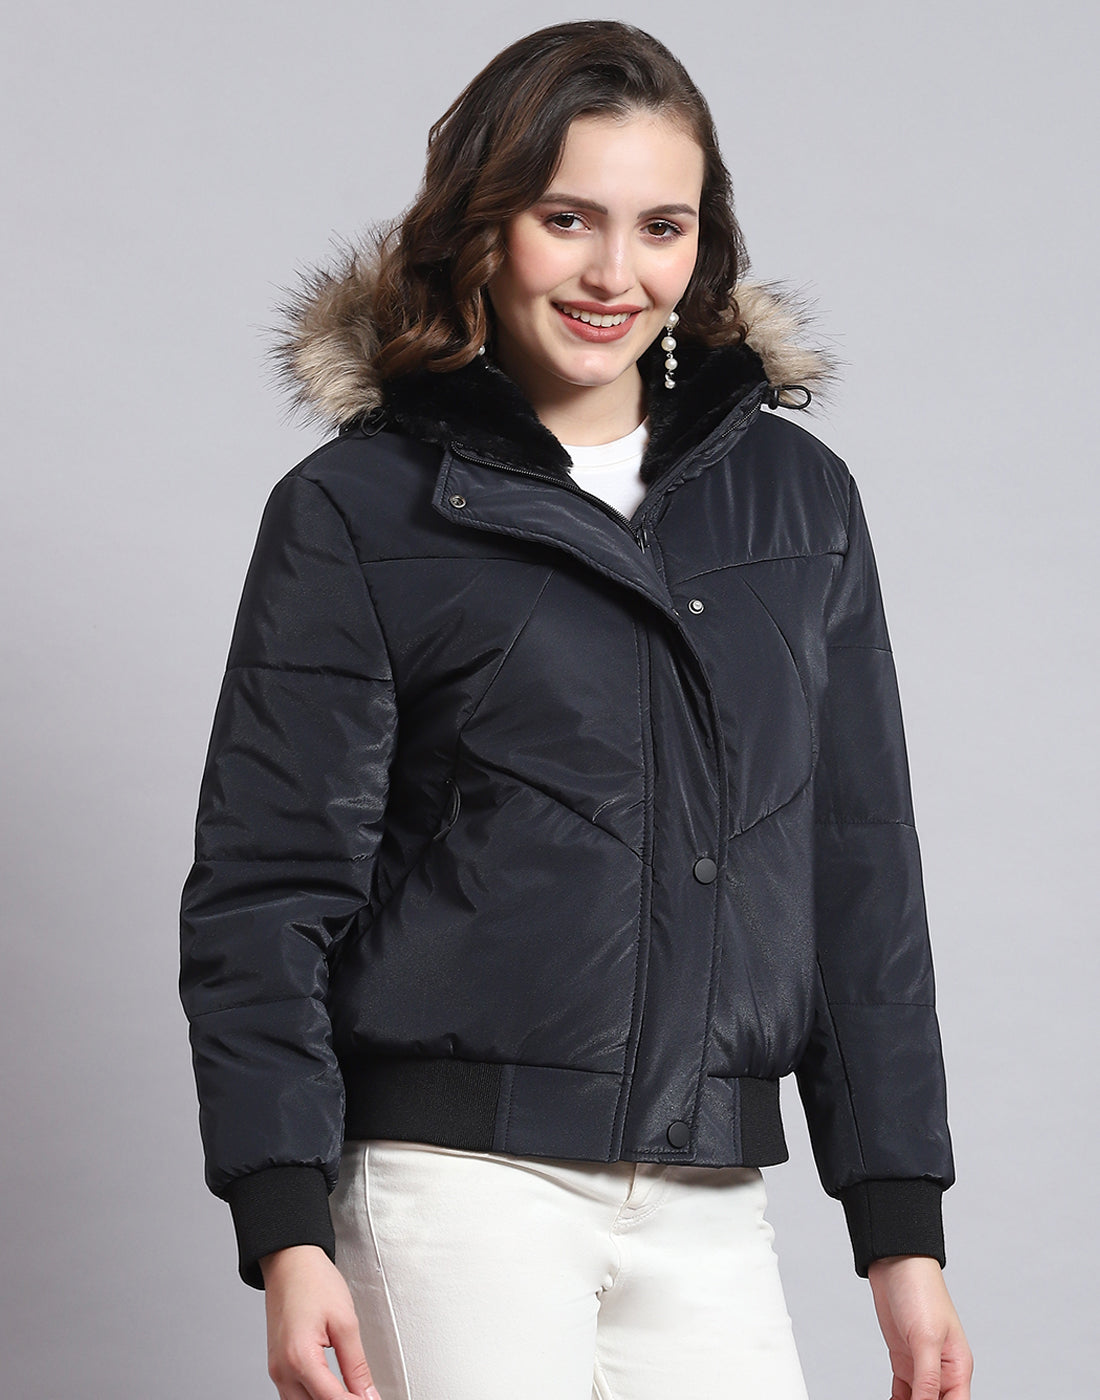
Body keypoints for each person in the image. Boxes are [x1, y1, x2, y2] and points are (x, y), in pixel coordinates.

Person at [180, 20, 972, 1400]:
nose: (616, 275)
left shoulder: (798, 500)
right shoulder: (358, 510)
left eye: (662, 226)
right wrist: (286, 1223)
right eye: (566, 219)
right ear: (481, 227)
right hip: (451, 1186)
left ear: (703, 246)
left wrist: (900, 1232)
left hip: (708, 1187)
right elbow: (267, 889)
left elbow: (856, 874)